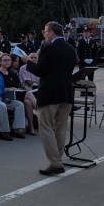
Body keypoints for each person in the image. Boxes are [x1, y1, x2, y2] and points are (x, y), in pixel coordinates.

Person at [26, 21, 77, 176]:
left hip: (49, 94)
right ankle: (57, 160)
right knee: (60, 129)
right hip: (66, 93)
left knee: (46, 128)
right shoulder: (71, 49)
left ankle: (55, 163)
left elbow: (40, 71)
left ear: (52, 33)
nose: (44, 34)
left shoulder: (48, 48)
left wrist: (28, 62)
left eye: (45, 31)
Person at [0, 53, 37, 135]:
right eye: (5, 60)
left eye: (9, 60)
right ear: (0, 62)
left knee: (28, 101)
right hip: (7, 95)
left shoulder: (11, 72)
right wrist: (9, 88)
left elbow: (18, 85)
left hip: (17, 93)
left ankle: (31, 126)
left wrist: (23, 87)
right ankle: (40, 111)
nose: (7, 62)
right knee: (29, 94)